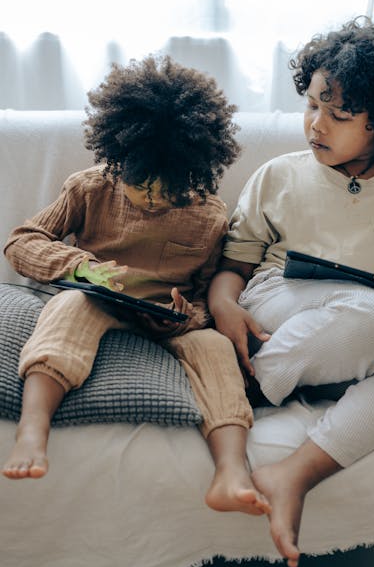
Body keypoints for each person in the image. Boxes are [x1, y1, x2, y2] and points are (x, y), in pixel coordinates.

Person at [208, 16, 374, 567]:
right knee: (371, 314)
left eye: (339, 114)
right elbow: (233, 265)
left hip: (372, 327)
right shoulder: (279, 175)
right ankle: (248, 386)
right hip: (279, 308)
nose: (317, 125)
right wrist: (223, 307)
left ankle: (296, 471)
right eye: (312, 105)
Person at [2, 54, 270, 516]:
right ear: (118, 158)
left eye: (168, 190)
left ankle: (231, 470)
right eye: (140, 184)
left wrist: (184, 314)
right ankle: (33, 428)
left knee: (214, 349)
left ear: (193, 174)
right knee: (68, 310)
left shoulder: (209, 217)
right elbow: (23, 241)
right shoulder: (88, 189)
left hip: (168, 322)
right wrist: (79, 267)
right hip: (94, 299)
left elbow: (209, 293)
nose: (152, 199)